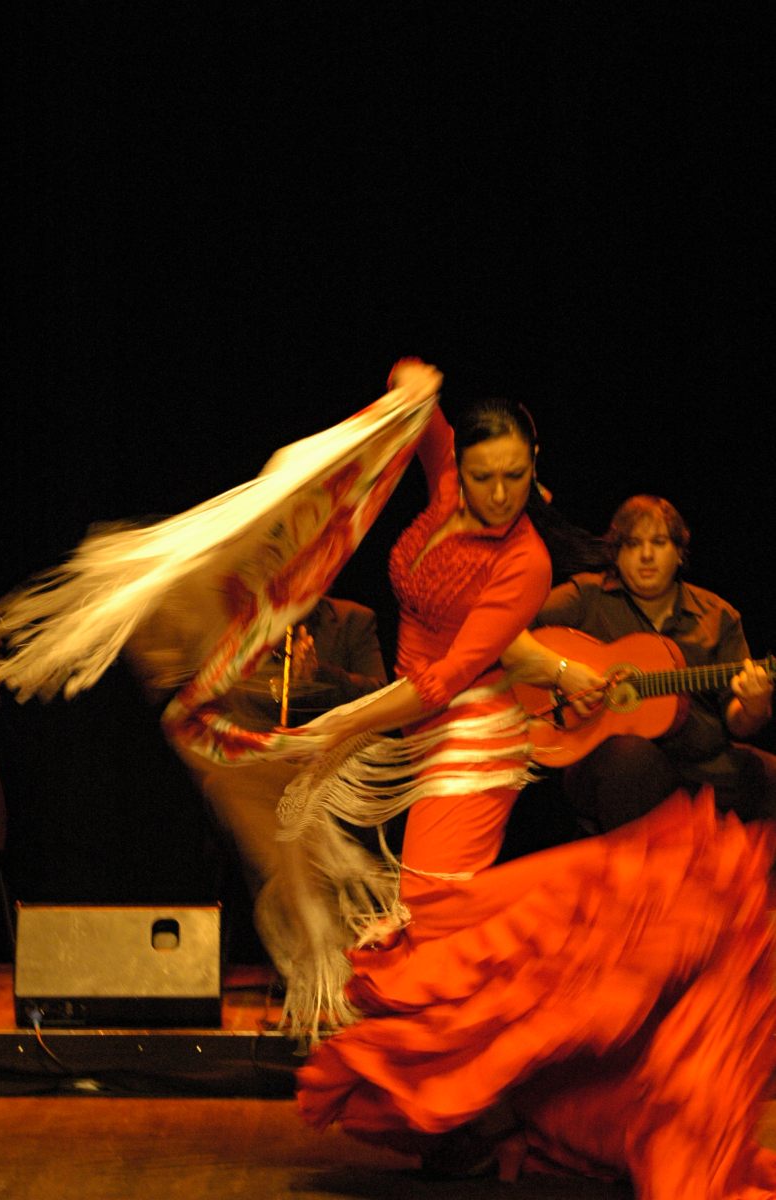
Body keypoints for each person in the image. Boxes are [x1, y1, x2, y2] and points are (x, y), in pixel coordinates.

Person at [280, 361, 776, 1195]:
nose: (501, 493)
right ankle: (490, 1109)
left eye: (517, 477)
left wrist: (332, 730)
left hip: (472, 734)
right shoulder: (446, 492)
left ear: (535, 464)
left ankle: (491, 1109)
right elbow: (422, 418)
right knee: (440, 932)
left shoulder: (527, 566)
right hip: (420, 732)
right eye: (484, 475)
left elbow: (447, 679)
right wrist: (411, 385)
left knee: (436, 929)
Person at [125, 594, 387, 958]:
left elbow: (380, 693)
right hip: (266, 761)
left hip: (333, 762)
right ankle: (304, 942)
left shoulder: (352, 619)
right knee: (243, 793)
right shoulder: (245, 625)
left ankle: (322, 944)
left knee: (300, 804)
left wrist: (321, 674)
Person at [522, 494, 776, 833]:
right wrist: (561, 672)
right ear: (616, 552)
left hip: (703, 765)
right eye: (632, 544)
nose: (646, 556)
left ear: (679, 552)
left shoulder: (718, 616)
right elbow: (509, 630)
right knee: (632, 761)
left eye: (658, 543)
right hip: (612, 764)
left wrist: (755, 706)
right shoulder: (586, 597)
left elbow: (739, 723)